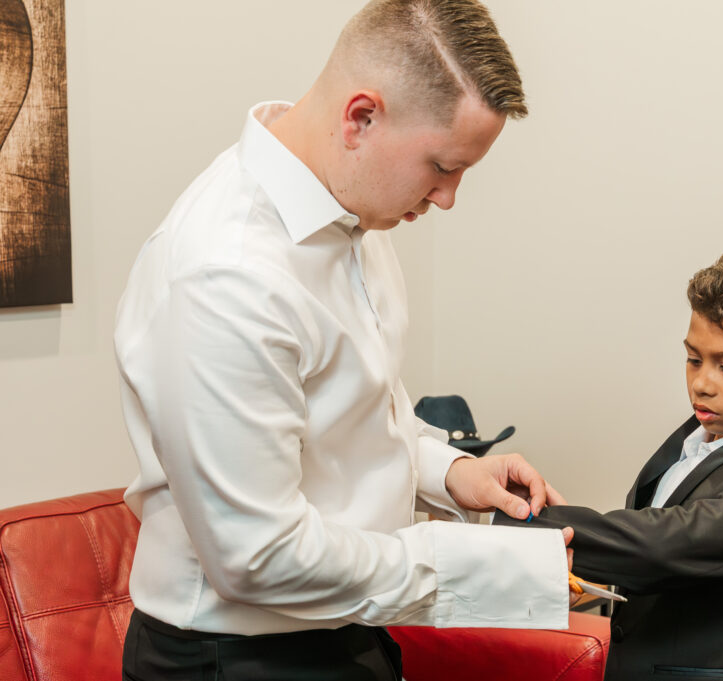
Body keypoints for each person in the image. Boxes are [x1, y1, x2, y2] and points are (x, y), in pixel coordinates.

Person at [114, 2, 573, 679]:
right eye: (442, 166)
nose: (448, 198)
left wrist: (448, 472)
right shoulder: (225, 273)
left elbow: (352, 415)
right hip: (236, 659)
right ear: (361, 118)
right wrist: (479, 566)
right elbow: (259, 556)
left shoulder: (357, 212)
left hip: (346, 627)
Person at [497, 241, 723, 681]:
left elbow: (664, 545)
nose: (702, 383)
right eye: (693, 359)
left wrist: (521, 526)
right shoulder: (694, 438)